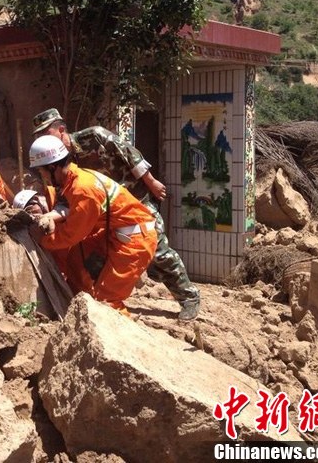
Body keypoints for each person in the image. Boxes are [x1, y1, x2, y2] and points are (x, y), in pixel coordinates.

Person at [32, 107, 201, 320]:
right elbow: (66, 201)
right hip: (105, 211)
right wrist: (50, 216)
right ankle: (98, 293)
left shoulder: (93, 137)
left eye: (46, 135)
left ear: (61, 130)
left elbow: (129, 154)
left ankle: (188, 296)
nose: (44, 142)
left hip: (133, 197)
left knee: (158, 249)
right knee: (89, 251)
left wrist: (151, 182)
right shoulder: (59, 161)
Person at [28, 134, 157, 315]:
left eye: (41, 172)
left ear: (52, 167)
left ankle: (115, 336)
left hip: (135, 240)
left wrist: (43, 240)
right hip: (117, 232)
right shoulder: (76, 178)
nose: (43, 178)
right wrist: (50, 217)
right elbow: (68, 208)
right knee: (76, 259)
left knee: (108, 299)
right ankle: (78, 307)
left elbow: (71, 234)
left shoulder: (83, 189)